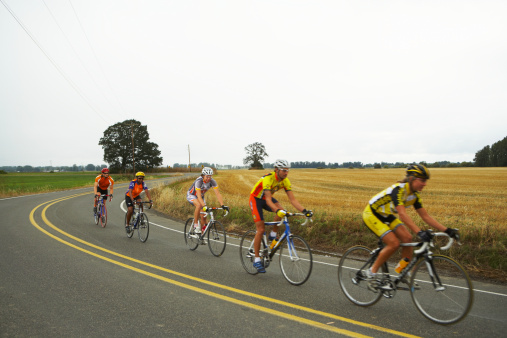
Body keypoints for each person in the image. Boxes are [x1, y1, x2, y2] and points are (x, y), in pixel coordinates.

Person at [362, 163, 459, 282]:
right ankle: (371, 272)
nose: (425, 184)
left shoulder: (415, 196)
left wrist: (447, 230)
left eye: (426, 181)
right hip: (372, 213)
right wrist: (419, 232)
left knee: (408, 238)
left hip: (386, 215)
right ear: (412, 178)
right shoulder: (398, 190)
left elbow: (425, 216)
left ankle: (402, 270)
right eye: (422, 180)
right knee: (393, 243)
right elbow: (402, 214)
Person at [249, 159, 313, 273]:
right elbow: (268, 200)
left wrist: (305, 211)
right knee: (261, 229)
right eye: (284, 170)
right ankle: (257, 259)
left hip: (266, 199)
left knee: (282, 211)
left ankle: (273, 235)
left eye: (288, 170)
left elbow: (293, 200)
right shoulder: (268, 178)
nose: (286, 173)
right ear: (276, 170)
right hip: (256, 199)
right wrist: (277, 210)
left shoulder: (285, 181)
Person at [186, 167, 227, 236]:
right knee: (199, 205)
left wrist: (222, 205)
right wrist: (204, 206)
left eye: (210, 176)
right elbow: (198, 195)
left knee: (204, 217)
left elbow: (218, 193)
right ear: (203, 176)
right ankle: (195, 224)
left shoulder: (212, 181)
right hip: (192, 195)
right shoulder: (199, 181)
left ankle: (201, 236)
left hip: (201, 197)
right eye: (207, 176)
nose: (208, 178)